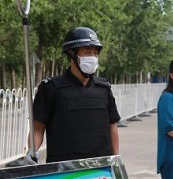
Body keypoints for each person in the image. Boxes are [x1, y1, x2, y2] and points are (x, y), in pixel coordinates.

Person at [29, 27, 121, 163]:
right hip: (64, 172)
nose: (93, 58)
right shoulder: (51, 88)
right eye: (87, 52)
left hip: (100, 169)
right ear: (71, 55)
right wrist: (31, 152)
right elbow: (37, 128)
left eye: (95, 53)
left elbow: (112, 126)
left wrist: (116, 158)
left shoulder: (103, 88)